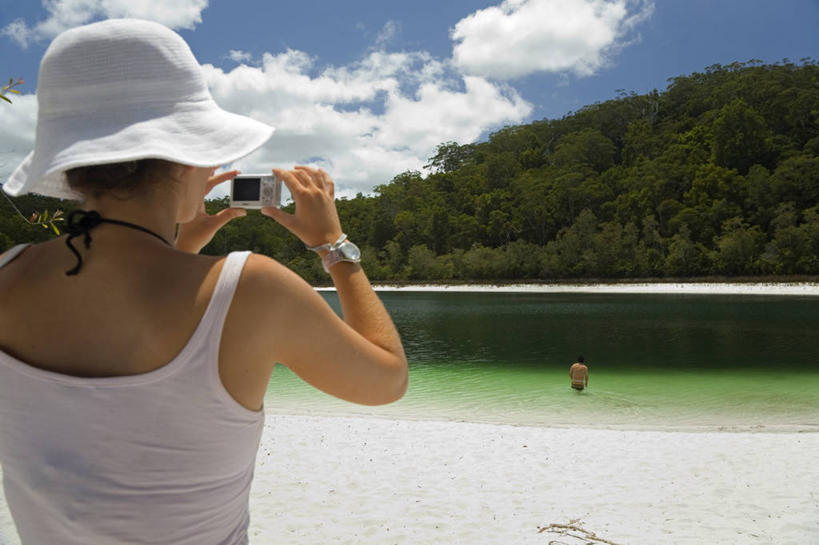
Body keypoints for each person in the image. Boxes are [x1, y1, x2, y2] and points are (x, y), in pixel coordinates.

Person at [0, 19, 407, 545]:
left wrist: (175, 246)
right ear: (185, 154)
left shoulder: (8, 275)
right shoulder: (252, 288)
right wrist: (335, 248)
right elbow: (387, 380)